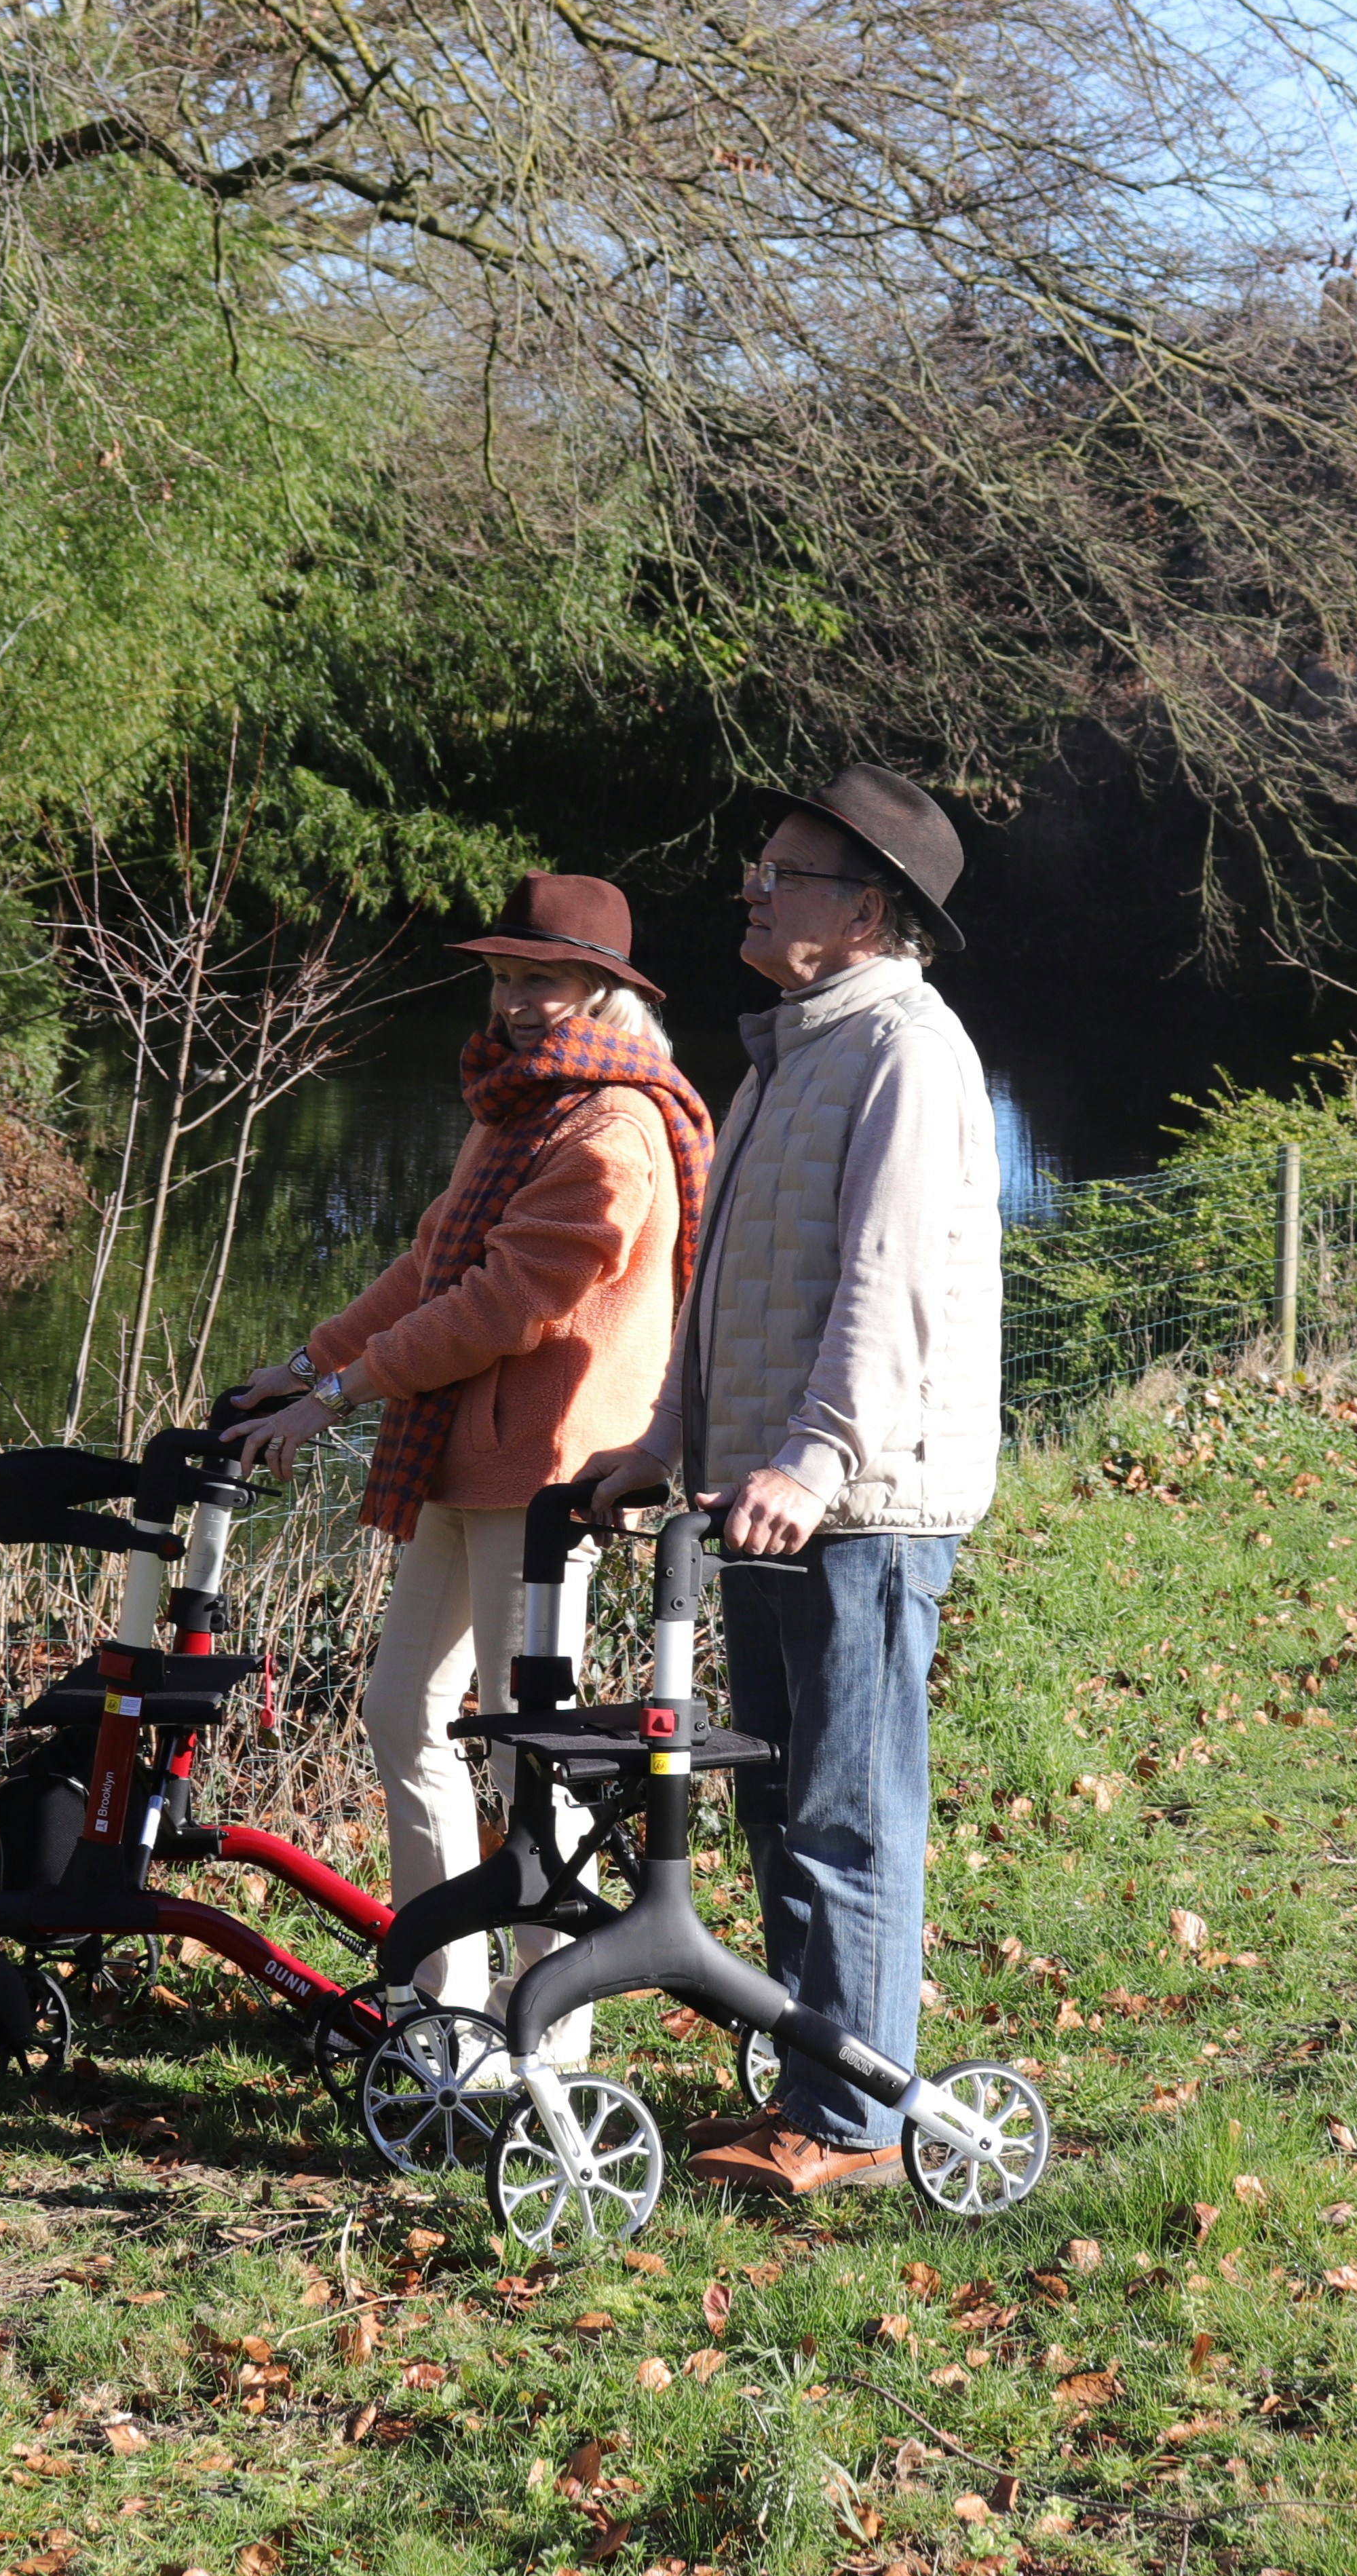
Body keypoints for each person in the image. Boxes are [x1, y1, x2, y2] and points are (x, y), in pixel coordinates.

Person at [579, 763, 1001, 2197]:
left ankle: (854, 2121)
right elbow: (728, 1288)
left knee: (846, 1803)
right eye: (758, 869)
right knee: (774, 1800)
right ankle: (819, 2071)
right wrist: (666, 1445)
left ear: (869, 909)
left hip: (859, 1504)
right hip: (764, 1492)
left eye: (785, 874)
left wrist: (818, 1459)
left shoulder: (906, 1052)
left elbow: (890, 1288)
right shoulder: (787, 1050)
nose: (753, 891)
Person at [223, 875, 713, 2049]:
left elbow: (506, 1306)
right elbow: (434, 1264)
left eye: (542, 978)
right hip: (458, 1460)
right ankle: (441, 2002)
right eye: (504, 976)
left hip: (547, 1484)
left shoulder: (613, 1127)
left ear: (602, 987)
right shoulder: (519, 1109)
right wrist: (304, 1365)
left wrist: (338, 1397)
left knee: (525, 1754)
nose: (517, 1000)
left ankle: (552, 2023)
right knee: (404, 1712)